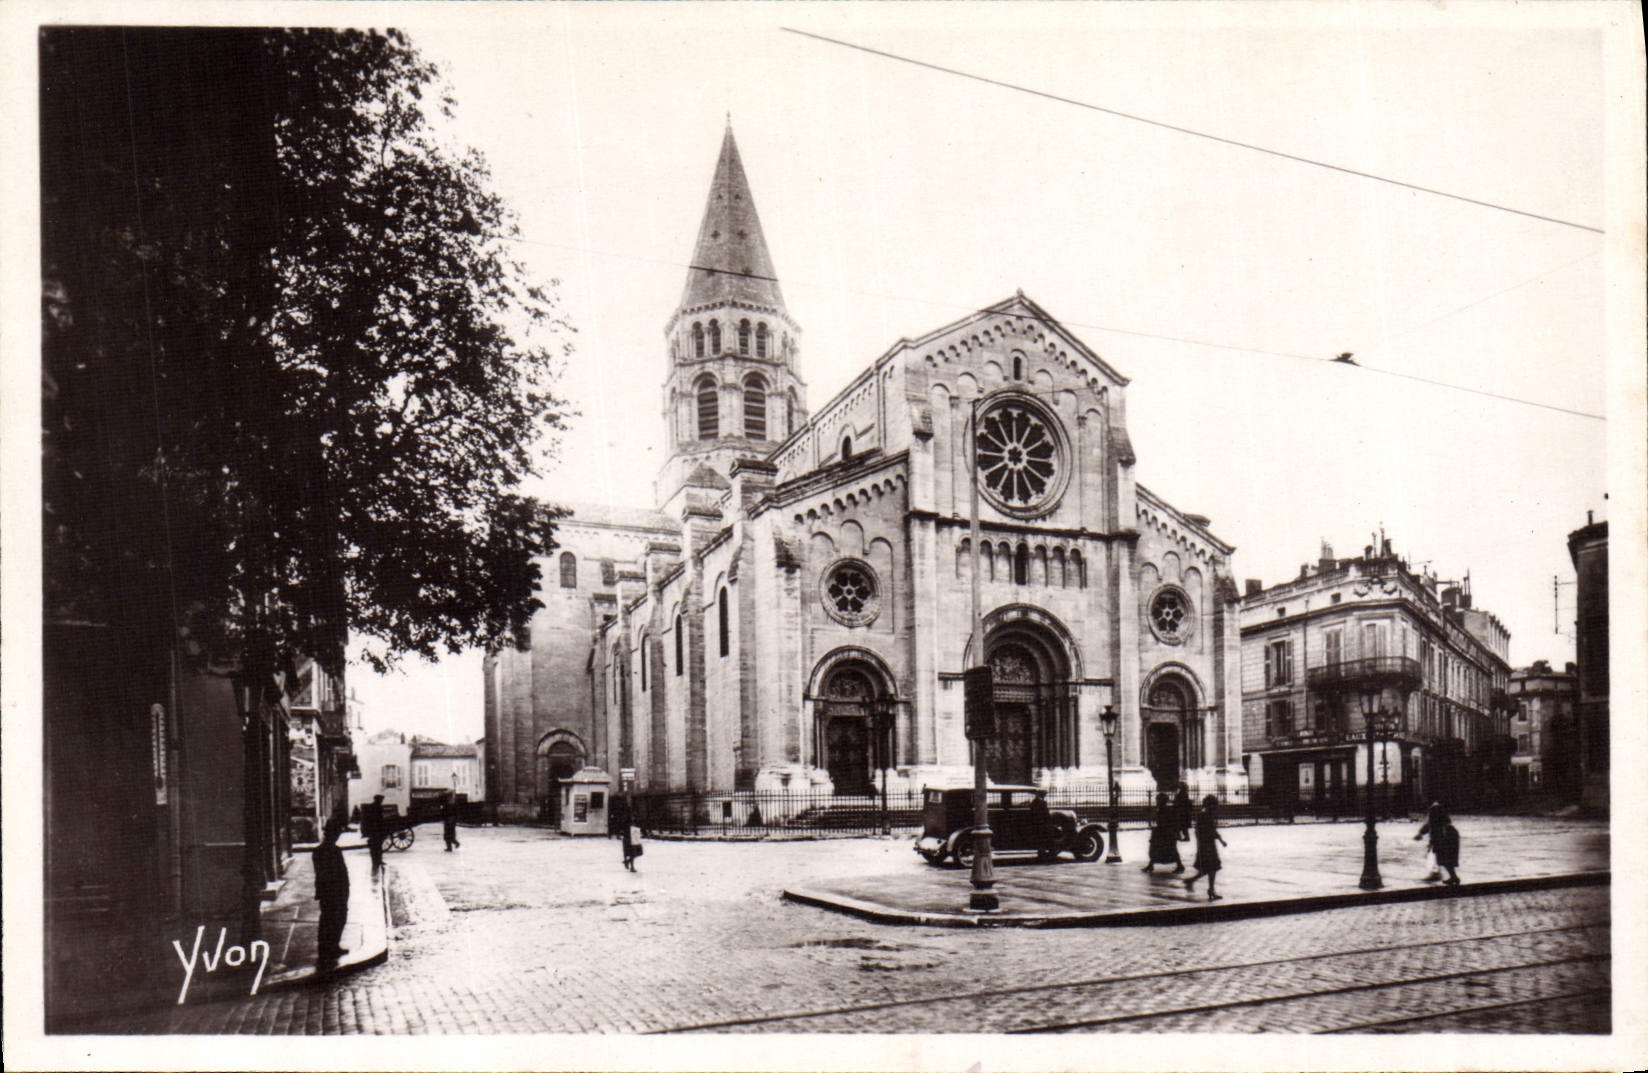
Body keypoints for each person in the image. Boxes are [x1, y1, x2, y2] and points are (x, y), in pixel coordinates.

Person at [313, 817, 350, 970]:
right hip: (334, 891)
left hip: (328, 891)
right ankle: (328, 950)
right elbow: (337, 873)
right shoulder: (332, 851)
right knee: (334, 920)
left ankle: (330, 948)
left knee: (329, 920)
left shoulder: (319, 851)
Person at [1183, 794, 1228, 901]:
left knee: (1209, 868)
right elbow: (1201, 831)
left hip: (1209, 845)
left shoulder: (1207, 815)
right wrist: (1205, 842)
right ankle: (1210, 890)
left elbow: (1212, 831)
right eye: (1213, 805)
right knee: (1211, 867)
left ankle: (1193, 882)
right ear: (1209, 805)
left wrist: (1221, 841)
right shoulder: (1203, 816)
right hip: (1206, 845)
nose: (1215, 807)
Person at [1414, 802, 1461, 886]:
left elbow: (1434, 833)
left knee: (1445, 860)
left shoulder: (1439, 825)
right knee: (1446, 860)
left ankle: (1452, 877)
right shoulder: (1443, 823)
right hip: (1449, 839)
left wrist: (1431, 843)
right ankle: (1451, 876)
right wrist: (1421, 834)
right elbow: (1428, 827)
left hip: (1446, 841)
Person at [1141, 792, 1183, 874]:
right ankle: (1151, 865)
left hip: (1165, 832)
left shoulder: (1165, 810)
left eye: (1158, 800)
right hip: (1162, 832)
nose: (1157, 802)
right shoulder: (1162, 809)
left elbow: (1164, 820)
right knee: (1157, 849)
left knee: (1169, 850)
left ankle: (1180, 865)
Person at [361, 794, 386, 870]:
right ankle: (377, 861)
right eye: (381, 800)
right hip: (376, 830)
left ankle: (377, 860)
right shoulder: (377, 807)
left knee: (375, 847)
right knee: (377, 846)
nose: (381, 801)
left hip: (374, 830)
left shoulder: (372, 807)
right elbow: (379, 819)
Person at [621, 804, 643, 872]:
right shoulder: (627, 821)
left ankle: (627, 861)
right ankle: (632, 867)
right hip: (629, 838)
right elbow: (624, 828)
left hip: (634, 837)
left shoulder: (635, 819)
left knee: (638, 852)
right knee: (632, 852)